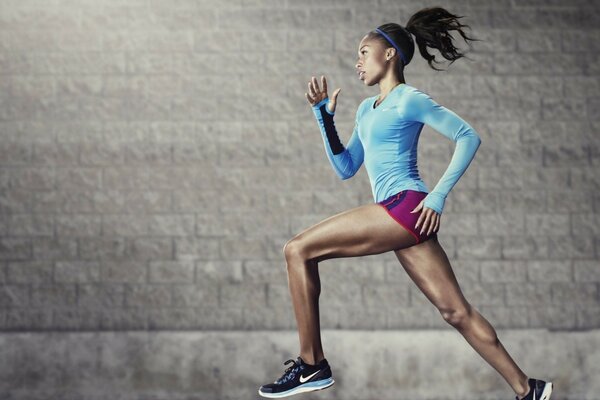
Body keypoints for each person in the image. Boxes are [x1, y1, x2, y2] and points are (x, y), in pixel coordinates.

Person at [259, 7, 553, 400]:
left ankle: (312, 365)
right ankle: (527, 388)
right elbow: (346, 167)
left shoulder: (409, 99)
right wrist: (323, 118)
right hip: (401, 217)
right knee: (456, 312)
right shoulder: (367, 109)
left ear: (389, 54)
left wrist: (438, 195)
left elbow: (468, 137)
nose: (357, 61)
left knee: (297, 249)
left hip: (404, 207)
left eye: (364, 52)